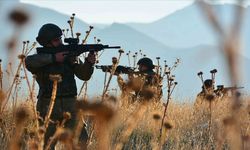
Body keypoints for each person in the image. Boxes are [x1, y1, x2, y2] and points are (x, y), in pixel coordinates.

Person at [25, 23, 96, 149]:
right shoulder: (40, 58)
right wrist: (53, 58)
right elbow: (29, 61)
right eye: (56, 40)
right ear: (47, 43)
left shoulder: (68, 56)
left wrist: (89, 63)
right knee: (46, 144)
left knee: (81, 140)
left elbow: (84, 76)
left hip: (71, 104)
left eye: (60, 39)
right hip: (48, 105)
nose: (60, 42)